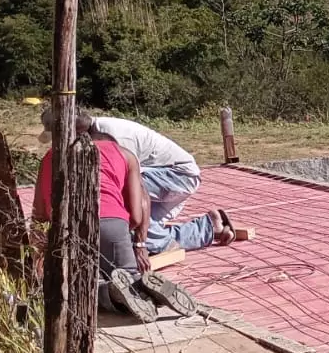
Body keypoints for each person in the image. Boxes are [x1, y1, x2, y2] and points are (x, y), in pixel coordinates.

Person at [31, 118, 195, 323]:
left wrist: (38, 258)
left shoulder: (49, 158)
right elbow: (137, 214)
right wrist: (134, 240)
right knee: (127, 276)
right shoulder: (124, 154)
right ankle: (142, 284)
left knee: (79, 288)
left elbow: (38, 215)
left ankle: (108, 292)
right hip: (113, 223)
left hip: (68, 230)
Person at [38, 109, 237, 254]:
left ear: (74, 131)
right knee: (140, 237)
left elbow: (132, 189)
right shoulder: (92, 135)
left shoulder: (112, 137)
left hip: (178, 176)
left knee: (145, 241)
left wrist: (137, 243)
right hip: (159, 177)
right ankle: (211, 225)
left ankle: (205, 228)